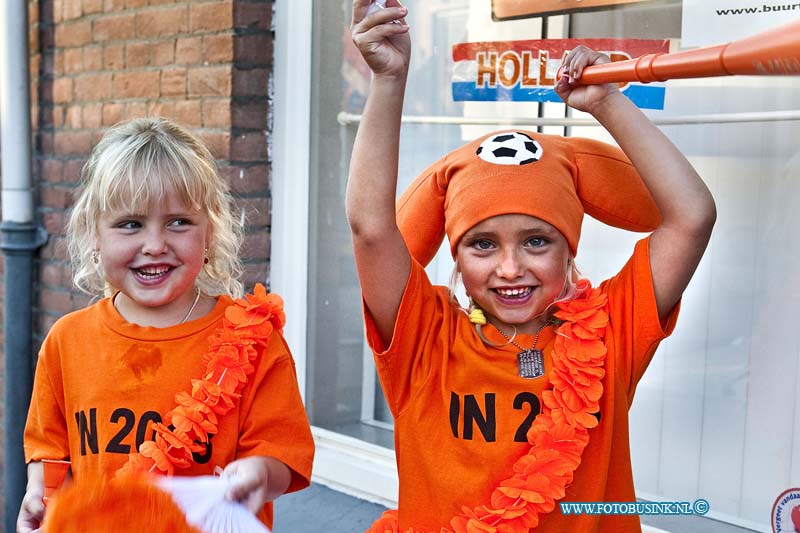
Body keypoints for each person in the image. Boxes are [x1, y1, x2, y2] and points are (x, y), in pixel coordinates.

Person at [346, 1, 716, 532]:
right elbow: (371, 228)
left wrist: (608, 103)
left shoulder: (611, 332)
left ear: (570, 250)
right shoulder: (425, 338)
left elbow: (692, 216)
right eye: (482, 245)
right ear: (455, 256)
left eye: (537, 241)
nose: (510, 267)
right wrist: (388, 79)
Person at [17, 118, 315, 532]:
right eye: (130, 224)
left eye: (178, 222)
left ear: (210, 231)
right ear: (94, 235)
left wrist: (260, 474)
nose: (155, 245)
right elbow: (50, 454)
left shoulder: (255, 343)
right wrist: (40, 496)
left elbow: (283, 455)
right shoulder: (68, 341)